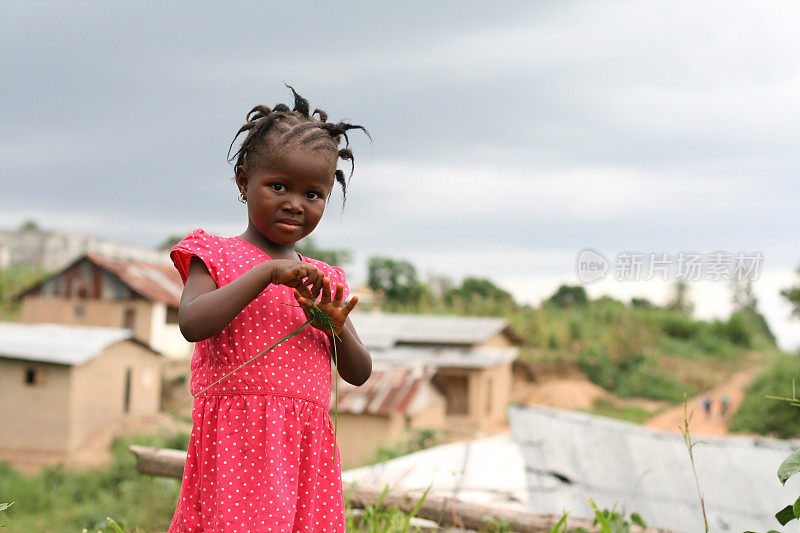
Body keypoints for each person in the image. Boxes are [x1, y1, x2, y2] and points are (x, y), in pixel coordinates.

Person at [167, 86, 372, 532]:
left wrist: (338, 326)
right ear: (244, 182)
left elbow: (358, 372)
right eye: (277, 186)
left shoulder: (323, 281)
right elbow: (191, 323)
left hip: (304, 447)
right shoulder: (215, 254)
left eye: (312, 194)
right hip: (238, 440)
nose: (294, 203)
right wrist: (265, 275)